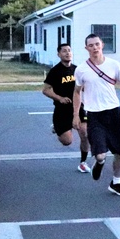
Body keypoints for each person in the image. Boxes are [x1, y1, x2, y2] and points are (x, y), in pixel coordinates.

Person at [72, 33, 120, 197]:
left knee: (119, 152)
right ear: (86, 48)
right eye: (91, 45)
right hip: (94, 115)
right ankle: (99, 162)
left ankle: (116, 183)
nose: (94, 48)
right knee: (100, 154)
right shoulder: (81, 70)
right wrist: (75, 115)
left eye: (97, 44)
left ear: (102, 45)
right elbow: (77, 92)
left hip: (114, 113)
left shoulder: (114, 65)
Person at [42, 43, 91, 172]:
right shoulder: (55, 71)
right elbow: (46, 90)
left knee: (85, 134)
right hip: (62, 110)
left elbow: (84, 86)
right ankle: (57, 128)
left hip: (78, 107)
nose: (68, 53)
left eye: (69, 50)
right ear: (59, 54)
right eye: (64, 51)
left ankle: (83, 162)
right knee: (67, 141)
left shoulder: (77, 70)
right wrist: (59, 98)